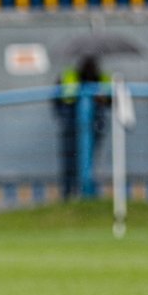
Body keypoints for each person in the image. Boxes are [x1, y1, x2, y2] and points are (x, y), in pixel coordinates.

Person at [54, 54, 110, 199]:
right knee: (70, 162)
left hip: (94, 127)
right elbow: (58, 99)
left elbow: (110, 100)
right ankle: (68, 194)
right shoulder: (69, 76)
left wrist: (103, 100)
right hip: (71, 126)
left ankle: (88, 192)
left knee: (91, 161)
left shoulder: (102, 78)